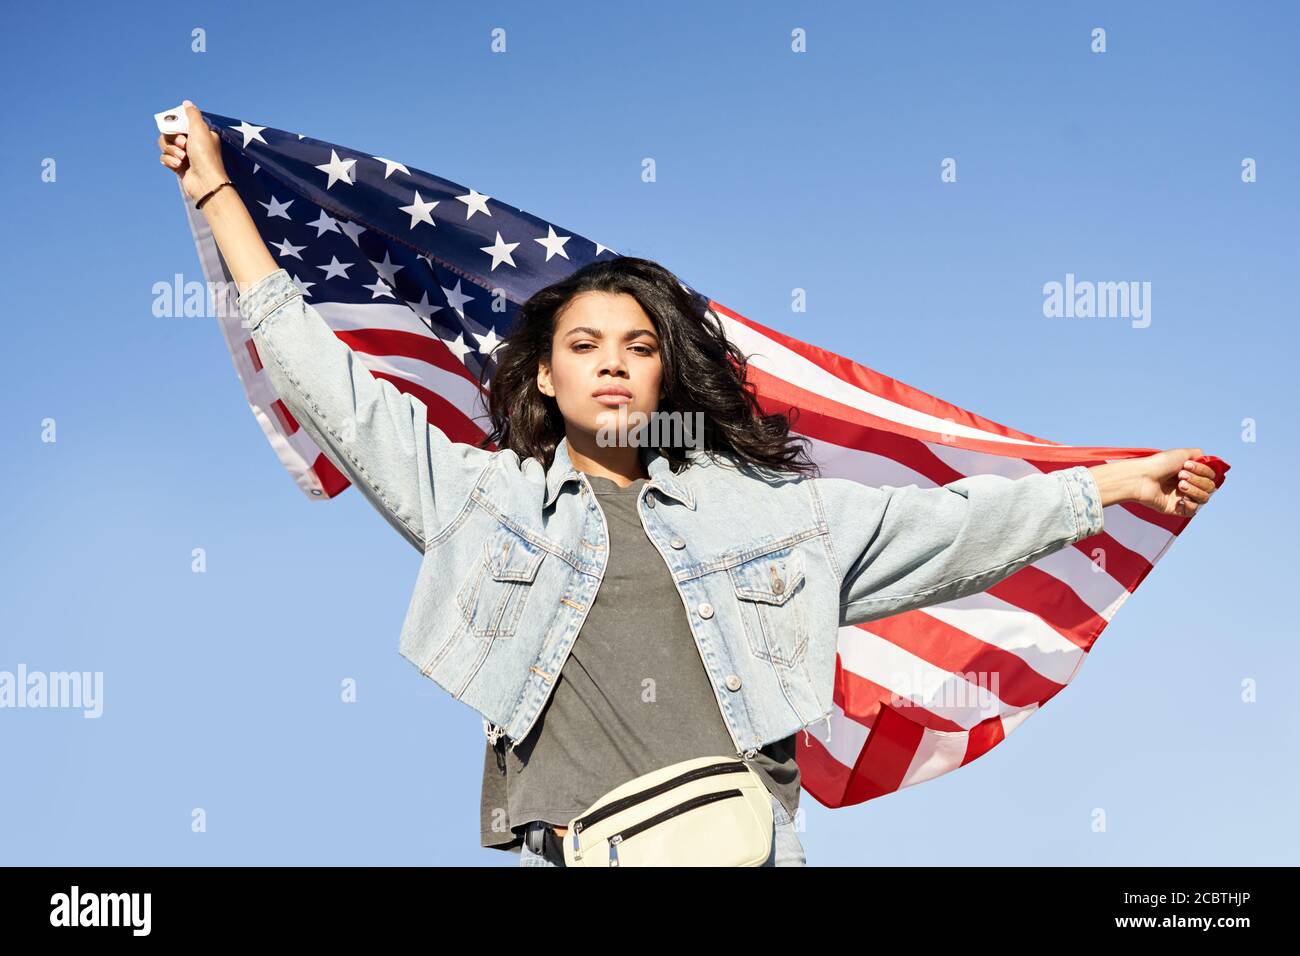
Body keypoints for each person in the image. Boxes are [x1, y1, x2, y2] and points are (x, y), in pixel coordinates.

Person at [157, 101, 1221, 867]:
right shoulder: (476, 499)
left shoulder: (768, 512)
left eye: (635, 344)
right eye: (584, 343)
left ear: (666, 370)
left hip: (739, 844)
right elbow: (333, 385)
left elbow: (949, 524)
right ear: (544, 373)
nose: (612, 359)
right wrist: (212, 189)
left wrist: (1108, 484)